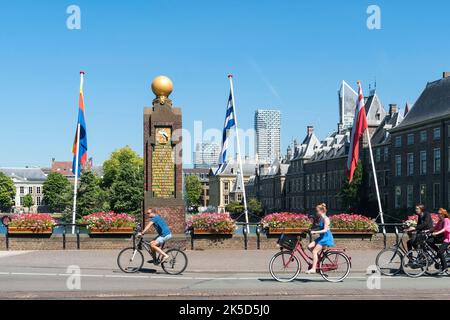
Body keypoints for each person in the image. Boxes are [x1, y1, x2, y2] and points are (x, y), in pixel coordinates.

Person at [306, 203, 335, 274]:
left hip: (326, 238)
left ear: (321, 211)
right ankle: (317, 260)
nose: (316, 213)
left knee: (314, 251)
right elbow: (317, 226)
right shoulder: (321, 219)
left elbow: (325, 230)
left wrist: (315, 232)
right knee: (309, 246)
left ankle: (313, 268)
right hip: (322, 237)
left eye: (317, 211)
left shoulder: (326, 219)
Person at [431, 208, 450, 275]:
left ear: (443, 214)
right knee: (429, 241)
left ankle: (445, 268)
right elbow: (434, 228)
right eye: (438, 213)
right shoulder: (440, 221)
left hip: (447, 239)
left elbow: (445, 229)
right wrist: (427, 231)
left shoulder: (446, 220)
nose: (438, 215)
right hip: (442, 238)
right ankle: (438, 254)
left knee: (440, 252)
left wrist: (436, 233)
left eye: (439, 213)